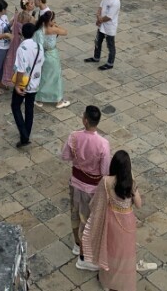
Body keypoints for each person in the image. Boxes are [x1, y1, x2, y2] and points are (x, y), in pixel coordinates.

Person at [80, 149, 142, 288]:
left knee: (110, 252)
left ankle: (108, 281)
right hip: (128, 223)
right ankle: (123, 283)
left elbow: (97, 202)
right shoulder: (130, 183)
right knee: (125, 254)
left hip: (112, 222)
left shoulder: (106, 181)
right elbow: (139, 204)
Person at [61, 106, 111, 263]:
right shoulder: (103, 143)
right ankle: (87, 247)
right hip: (93, 188)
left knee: (75, 214)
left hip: (76, 183)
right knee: (90, 218)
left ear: (85, 120)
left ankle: (77, 244)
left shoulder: (74, 136)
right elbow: (104, 170)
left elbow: (65, 156)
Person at [11, 22, 45, 148]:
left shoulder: (22, 48)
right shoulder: (39, 47)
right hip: (34, 82)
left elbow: (20, 69)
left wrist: (17, 85)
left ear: (22, 33)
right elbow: (41, 64)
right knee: (29, 109)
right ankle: (26, 135)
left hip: (23, 83)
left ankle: (24, 134)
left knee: (15, 106)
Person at [33, 11, 71, 109]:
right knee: (56, 77)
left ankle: (39, 98)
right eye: (53, 19)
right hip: (52, 55)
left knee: (44, 77)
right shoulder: (52, 29)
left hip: (43, 55)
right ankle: (58, 100)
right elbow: (65, 32)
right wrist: (56, 26)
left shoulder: (40, 29)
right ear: (49, 21)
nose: (54, 21)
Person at [84, 0, 121, 71]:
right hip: (101, 24)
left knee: (110, 45)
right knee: (97, 41)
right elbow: (101, 6)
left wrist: (100, 20)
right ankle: (96, 57)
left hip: (109, 26)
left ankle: (110, 63)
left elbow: (109, 17)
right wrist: (98, 16)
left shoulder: (116, 2)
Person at [1, 0, 36, 89]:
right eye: (32, 3)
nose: (33, 5)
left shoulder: (17, 15)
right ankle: (22, 82)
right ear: (27, 6)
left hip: (14, 41)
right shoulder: (31, 19)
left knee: (11, 60)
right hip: (24, 43)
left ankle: (8, 80)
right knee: (23, 62)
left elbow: (9, 25)